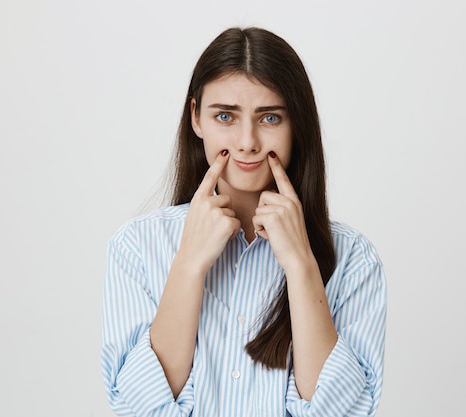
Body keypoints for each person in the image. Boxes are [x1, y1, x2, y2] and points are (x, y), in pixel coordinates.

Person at [101, 27, 386, 417]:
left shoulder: (354, 258)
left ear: (296, 125)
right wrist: (188, 264)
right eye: (225, 116)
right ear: (196, 118)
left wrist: (301, 266)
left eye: (269, 117)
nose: (247, 141)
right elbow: (138, 408)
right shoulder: (137, 246)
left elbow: (341, 412)